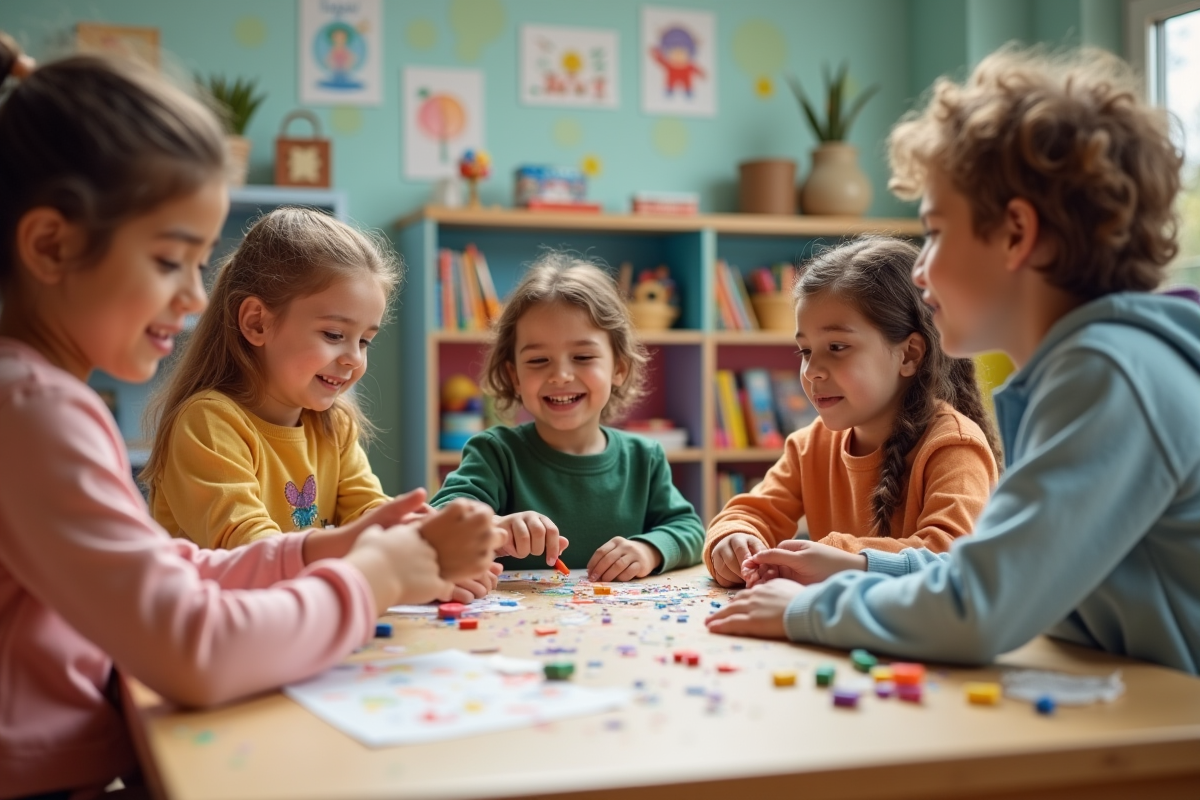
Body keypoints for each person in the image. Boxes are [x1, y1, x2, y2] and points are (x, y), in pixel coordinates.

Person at [0, 46, 498, 798]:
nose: (197, 298)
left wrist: (334, 547)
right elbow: (194, 648)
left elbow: (174, 573)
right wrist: (370, 577)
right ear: (51, 245)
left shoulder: (39, 400)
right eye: (171, 261)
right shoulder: (32, 412)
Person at [707, 46, 1200, 676]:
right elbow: (986, 569)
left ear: (1017, 235)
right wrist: (853, 566)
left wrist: (809, 607)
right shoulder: (1093, 368)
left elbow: (980, 607)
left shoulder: (1110, 377)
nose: (919, 267)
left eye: (936, 231)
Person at [142, 208, 502, 602]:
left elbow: (370, 514)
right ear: (256, 323)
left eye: (364, 340)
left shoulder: (334, 424)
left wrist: (443, 550)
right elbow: (248, 550)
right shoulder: (208, 423)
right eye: (334, 334)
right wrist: (397, 569)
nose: (354, 358)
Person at [705, 237, 1000, 589]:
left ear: (909, 355)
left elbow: (950, 559)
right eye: (805, 351)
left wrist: (842, 559)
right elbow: (749, 513)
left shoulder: (954, 446)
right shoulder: (811, 445)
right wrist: (734, 539)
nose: (812, 370)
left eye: (837, 347)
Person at [430, 253, 705, 582]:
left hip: (618, 627)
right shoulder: (495, 453)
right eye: (538, 360)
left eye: (583, 356)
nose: (560, 375)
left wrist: (649, 550)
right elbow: (441, 517)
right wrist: (495, 526)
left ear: (618, 367)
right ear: (514, 374)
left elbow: (689, 530)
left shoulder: (644, 458)